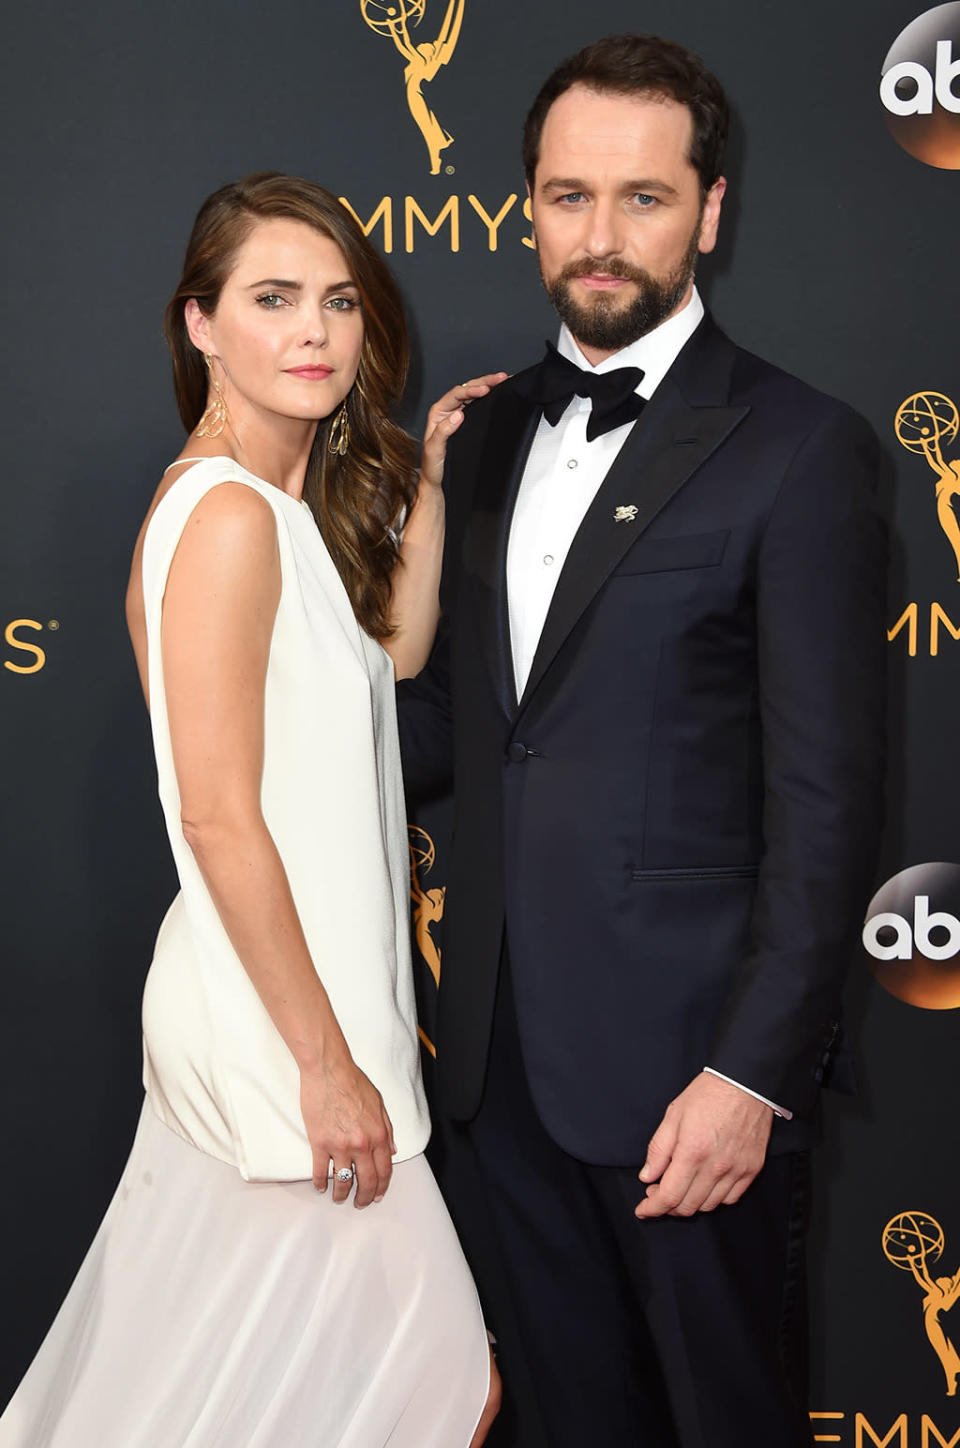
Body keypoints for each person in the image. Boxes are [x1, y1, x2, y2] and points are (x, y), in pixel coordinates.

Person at [397, 34, 886, 1448]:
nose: (598, 239)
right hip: (495, 1078)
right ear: (529, 206)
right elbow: (459, 735)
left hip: (689, 1090)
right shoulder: (480, 440)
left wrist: (748, 1078)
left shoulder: (801, 448)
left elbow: (826, 800)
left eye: (643, 199)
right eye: (566, 197)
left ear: (711, 212)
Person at [0, 172, 502, 1447]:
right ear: (201, 325)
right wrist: (325, 1065)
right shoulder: (223, 514)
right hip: (285, 1027)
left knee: (214, 1394)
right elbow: (219, 817)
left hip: (297, 1005)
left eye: (338, 299)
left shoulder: (271, 513)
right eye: (272, 298)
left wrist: (430, 484)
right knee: (431, 1383)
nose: (316, 331)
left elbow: (385, 663)